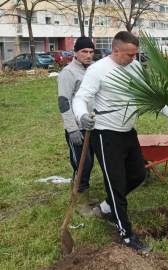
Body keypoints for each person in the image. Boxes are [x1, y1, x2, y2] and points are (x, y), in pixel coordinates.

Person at [72, 31, 168, 254]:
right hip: (105, 134)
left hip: (128, 131)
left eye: (136, 54)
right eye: (129, 54)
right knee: (116, 186)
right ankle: (126, 235)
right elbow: (80, 98)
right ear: (116, 50)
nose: (133, 58)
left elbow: (147, 92)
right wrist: (82, 115)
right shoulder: (98, 70)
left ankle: (106, 207)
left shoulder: (133, 67)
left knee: (138, 175)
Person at [57, 36, 96, 216]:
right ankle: (81, 204)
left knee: (89, 162)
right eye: (84, 52)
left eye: (91, 51)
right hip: (77, 128)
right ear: (75, 53)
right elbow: (64, 102)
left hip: (92, 126)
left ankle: (80, 195)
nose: (88, 55)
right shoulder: (69, 73)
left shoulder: (93, 70)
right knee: (82, 164)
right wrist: (72, 128)